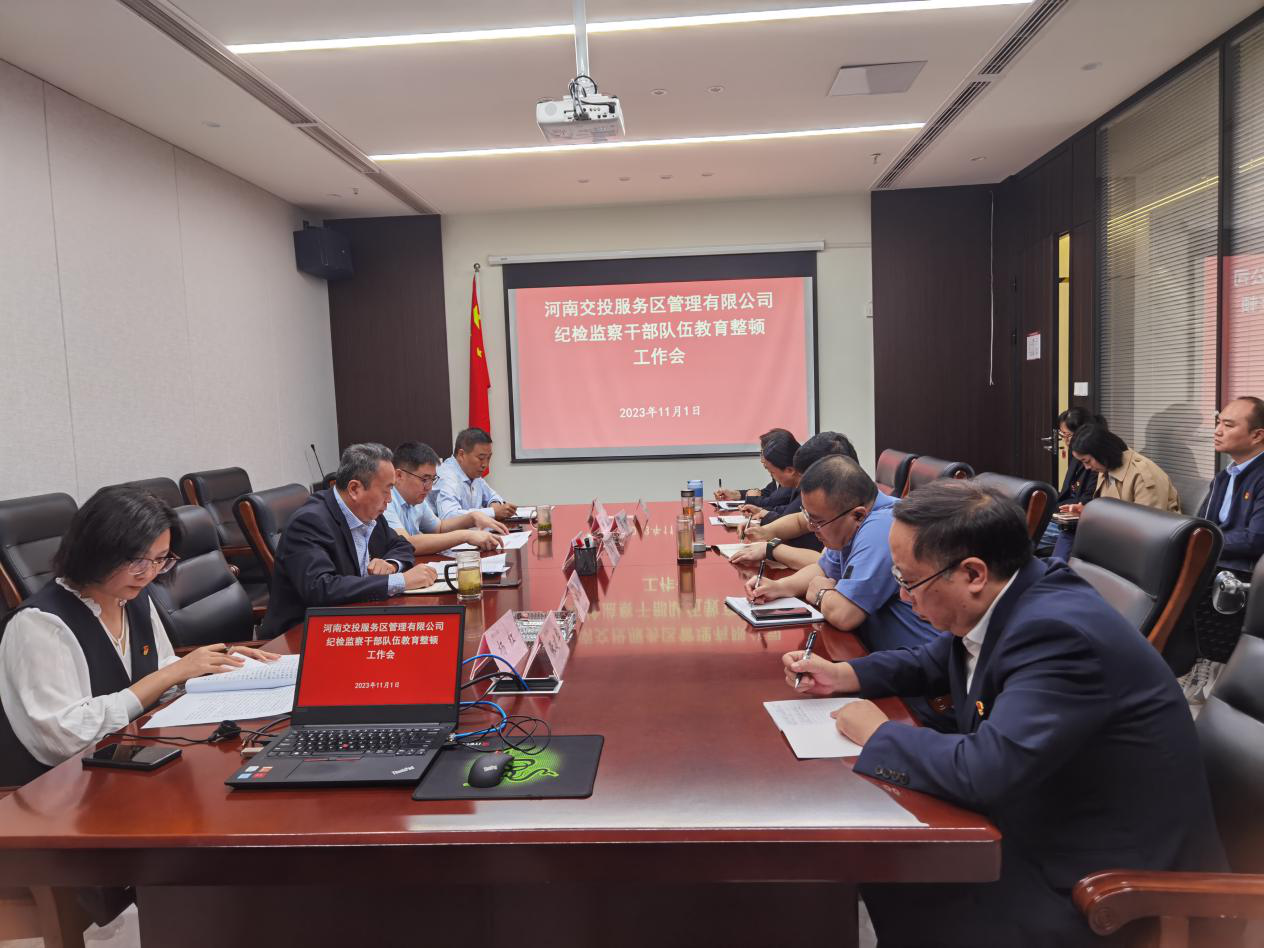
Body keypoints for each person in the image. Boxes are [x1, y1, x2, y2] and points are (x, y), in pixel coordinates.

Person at [782, 480, 1225, 947]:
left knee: (893, 875)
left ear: (973, 573)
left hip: (1109, 891)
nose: (905, 597)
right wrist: (844, 674)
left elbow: (985, 770)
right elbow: (932, 661)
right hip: (1048, 825)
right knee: (885, 870)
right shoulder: (1014, 594)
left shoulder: (1057, 635)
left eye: (909, 582)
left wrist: (879, 734)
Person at [0, 486, 278, 787]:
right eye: (137, 560)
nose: (148, 574)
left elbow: (159, 667)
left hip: (128, 762)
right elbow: (66, 737)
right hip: (56, 790)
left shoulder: (132, 596)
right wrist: (171, 674)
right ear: (95, 550)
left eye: (160, 559)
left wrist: (213, 666)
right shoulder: (40, 624)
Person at [748, 455, 941, 659]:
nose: (812, 528)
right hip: (876, 653)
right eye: (808, 518)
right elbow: (823, 569)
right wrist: (778, 587)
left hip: (919, 663)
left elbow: (844, 615)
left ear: (857, 515)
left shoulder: (882, 526)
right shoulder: (848, 523)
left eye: (818, 522)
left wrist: (821, 592)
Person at [261, 443, 435, 638]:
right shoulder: (310, 522)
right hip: (302, 635)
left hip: (352, 621)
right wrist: (399, 581)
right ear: (354, 489)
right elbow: (321, 588)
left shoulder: (368, 512)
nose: (389, 499)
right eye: (386, 490)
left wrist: (391, 564)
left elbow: (401, 544)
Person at [1191, 396, 1264, 663]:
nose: (1217, 431)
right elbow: (1202, 525)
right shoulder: (1224, 477)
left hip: (1243, 574)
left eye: (1228, 425)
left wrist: (1204, 544)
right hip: (1217, 563)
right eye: (1218, 422)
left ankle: (1212, 667)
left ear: (1257, 435)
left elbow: (1256, 539)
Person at [1051, 423, 1180, 560]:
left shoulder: (1143, 475)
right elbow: (1112, 510)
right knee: (1068, 532)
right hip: (1120, 536)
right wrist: (1087, 511)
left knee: (1069, 538)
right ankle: (1056, 570)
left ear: (1101, 452)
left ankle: (1056, 571)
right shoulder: (1107, 466)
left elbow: (1148, 529)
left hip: (1147, 548)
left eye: (1087, 461)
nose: (1087, 468)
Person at [733, 431, 859, 567]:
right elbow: (800, 521)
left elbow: (824, 564)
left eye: (807, 480)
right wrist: (764, 532)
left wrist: (770, 548)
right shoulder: (840, 502)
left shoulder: (862, 522)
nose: (801, 485)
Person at [385, 441, 508, 554]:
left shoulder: (416, 499)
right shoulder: (386, 501)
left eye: (432, 479)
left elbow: (439, 528)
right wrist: (465, 536)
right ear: (399, 475)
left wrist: (472, 517)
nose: (429, 487)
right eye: (424, 479)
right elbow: (406, 544)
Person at [1036, 407, 1104, 555]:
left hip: (1076, 523)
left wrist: (1055, 510)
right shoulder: (1076, 456)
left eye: (1068, 435)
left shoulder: (1096, 461)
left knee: (1029, 534)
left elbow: (1086, 500)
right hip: (1063, 516)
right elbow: (1067, 492)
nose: (1066, 441)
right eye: (1063, 435)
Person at [430, 427, 517, 521]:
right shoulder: (447, 477)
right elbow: (448, 516)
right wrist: (493, 512)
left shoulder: (472, 473)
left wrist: (495, 505)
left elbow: (492, 496)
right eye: (481, 458)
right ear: (461, 454)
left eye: (488, 458)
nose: (485, 465)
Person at [713, 428, 800, 508]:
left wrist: (752, 499)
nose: (762, 460)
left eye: (763, 454)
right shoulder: (782, 471)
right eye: (761, 454)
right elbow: (768, 492)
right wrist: (735, 494)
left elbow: (773, 501)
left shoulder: (794, 479)